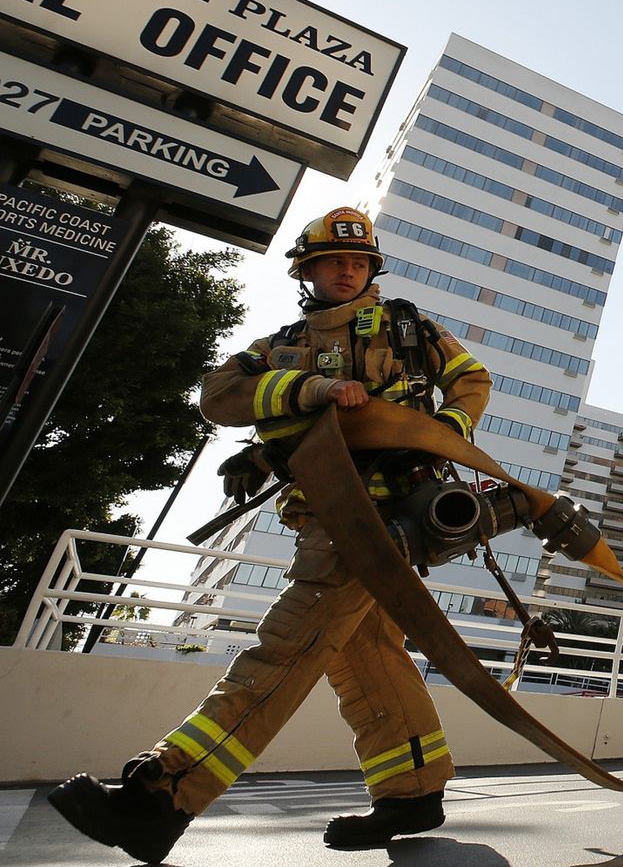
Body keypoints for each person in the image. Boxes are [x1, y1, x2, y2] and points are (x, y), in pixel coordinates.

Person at [48, 207, 492, 861]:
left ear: (372, 269)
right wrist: (303, 394)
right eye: (332, 261)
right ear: (305, 270)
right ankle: (413, 790)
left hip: (380, 519)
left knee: (284, 651)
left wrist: (433, 433)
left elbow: (471, 381)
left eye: (359, 261)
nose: (347, 270)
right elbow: (219, 395)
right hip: (320, 514)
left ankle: (165, 794)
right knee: (364, 652)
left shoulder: (406, 326)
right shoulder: (281, 346)